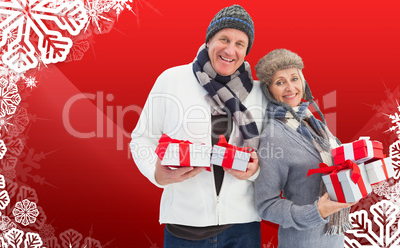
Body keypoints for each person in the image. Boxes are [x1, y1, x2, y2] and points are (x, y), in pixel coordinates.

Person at [130, 4, 266, 248]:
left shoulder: (258, 92)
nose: (230, 49)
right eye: (223, 39)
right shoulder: (171, 80)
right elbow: (142, 138)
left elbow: (272, 155)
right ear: (208, 41)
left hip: (243, 228)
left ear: (246, 51)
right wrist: (156, 173)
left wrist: (254, 172)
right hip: (184, 226)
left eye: (240, 44)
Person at [254, 49, 357, 248]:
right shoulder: (274, 136)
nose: (290, 87)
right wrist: (317, 212)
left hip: (334, 239)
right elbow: (266, 206)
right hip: (302, 242)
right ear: (269, 90)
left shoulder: (314, 123)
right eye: (280, 82)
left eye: (294, 78)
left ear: (303, 81)